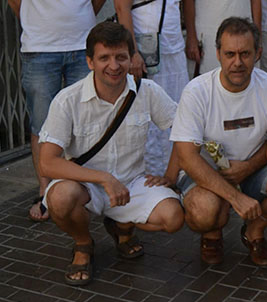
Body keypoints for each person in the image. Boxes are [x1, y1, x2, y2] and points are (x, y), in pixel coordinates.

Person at [37, 22, 184, 286]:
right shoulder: (67, 100)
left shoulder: (147, 91)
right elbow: (47, 163)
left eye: (121, 57)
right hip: (85, 186)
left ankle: (122, 227)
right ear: (90, 61)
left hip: (131, 183)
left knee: (173, 217)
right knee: (60, 198)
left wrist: (171, 175)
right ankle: (83, 244)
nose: (114, 66)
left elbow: (183, 130)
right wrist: (103, 178)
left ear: (131, 58)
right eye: (104, 58)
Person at [3, 0, 110, 222]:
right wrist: (41, 24)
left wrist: (75, 24)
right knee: (43, 125)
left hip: (83, 52)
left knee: (86, 122)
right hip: (39, 52)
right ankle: (46, 191)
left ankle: (85, 189)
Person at [165, 18, 267, 266]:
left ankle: (255, 229)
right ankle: (212, 234)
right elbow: (187, 157)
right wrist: (235, 197)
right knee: (203, 210)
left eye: (245, 53)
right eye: (230, 54)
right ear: (218, 54)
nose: (237, 62)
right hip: (206, 172)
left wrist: (248, 167)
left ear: (258, 54)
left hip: (254, 168)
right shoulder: (197, 91)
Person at [110, 0, 189, 175]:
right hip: (143, 53)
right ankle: (147, 177)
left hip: (172, 49)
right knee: (147, 115)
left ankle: (174, 175)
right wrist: (131, 53)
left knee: (175, 114)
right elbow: (122, 8)